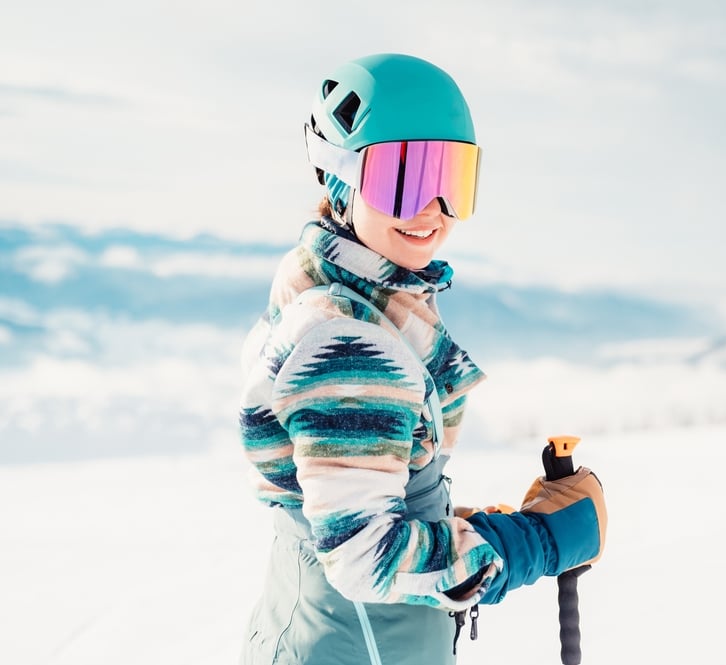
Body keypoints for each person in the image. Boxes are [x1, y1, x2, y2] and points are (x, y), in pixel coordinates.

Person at [238, 53, 608, 665]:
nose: (433, 208)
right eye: (404, 178)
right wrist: (538, 541)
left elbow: (346, 498)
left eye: (452, 178)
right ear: (340, 177)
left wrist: (440, 515)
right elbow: (367, 558)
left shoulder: (340, 298)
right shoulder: (346, 342)